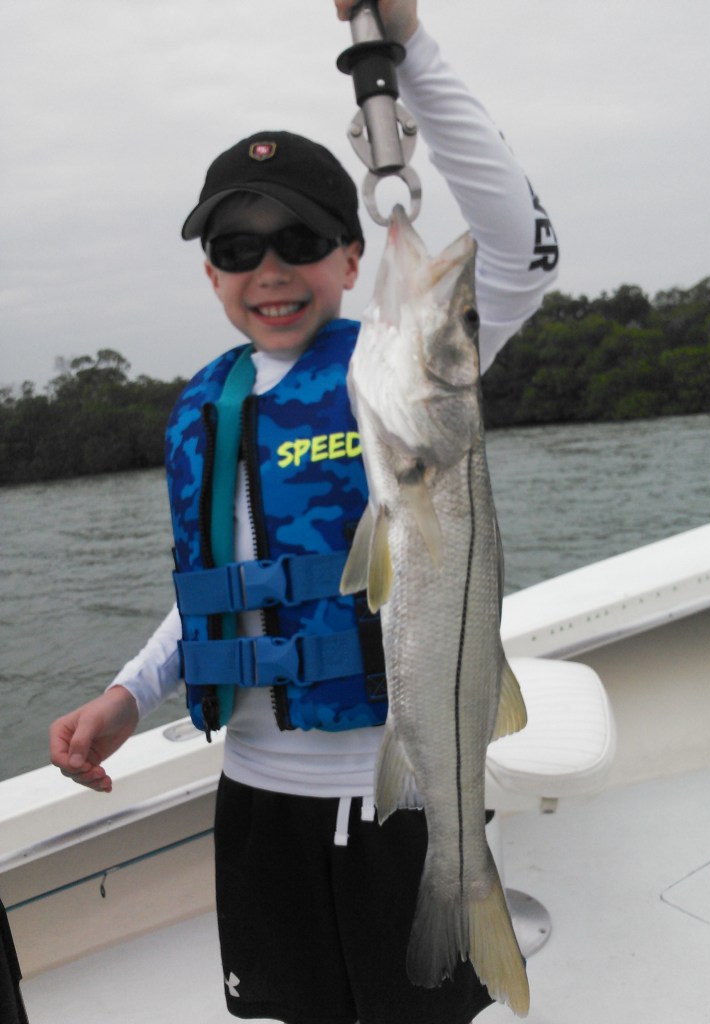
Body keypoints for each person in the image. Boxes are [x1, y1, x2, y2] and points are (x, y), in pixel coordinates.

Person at [49, 2, 558, 1021]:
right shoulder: (212, 406)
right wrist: (129, 693)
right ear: (211, 272)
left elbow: (523, 251)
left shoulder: (400, 371)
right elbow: (224, 588)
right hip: (257, 801)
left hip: (403, 795)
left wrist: (409, 49)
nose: (270, 267)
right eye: (238, 246)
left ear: (349, 258)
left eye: (300, 238)